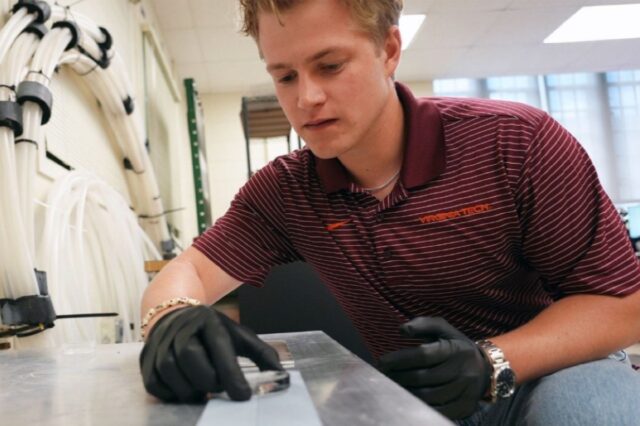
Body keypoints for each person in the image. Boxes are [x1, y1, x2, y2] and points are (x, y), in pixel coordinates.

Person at [139, 0, 640, 422]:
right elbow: (190, 270)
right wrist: (169, 319)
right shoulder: (287, 191)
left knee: (594, 407)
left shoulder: (515, 142)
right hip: (419, 396)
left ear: (389, 51)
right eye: (285, 76)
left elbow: (625, 306)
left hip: (547, 374)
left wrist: (491, 362)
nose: (307, 98)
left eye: (330, 66)